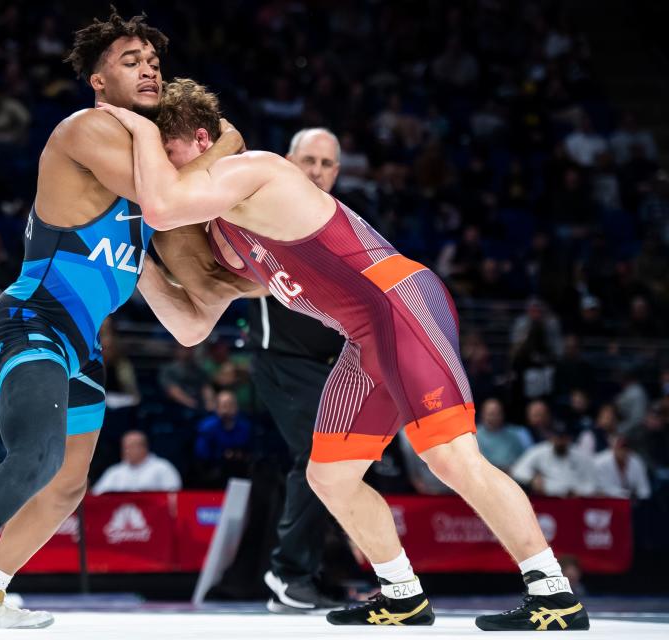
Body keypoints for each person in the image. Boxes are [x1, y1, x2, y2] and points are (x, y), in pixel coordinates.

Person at [101, 78, 589, 630]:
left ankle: (553, 592)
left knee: (451, 456)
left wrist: (134, 126)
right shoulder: (224, 234)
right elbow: (192, 324)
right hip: (363, 336)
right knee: (329, 475)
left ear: (199, 139)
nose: (155, 168)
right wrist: (135, 263)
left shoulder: (255, 170)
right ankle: (402, 592)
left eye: (164, 152)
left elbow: (161, 208)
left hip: (399, 304)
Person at [0, 11, 254, 635]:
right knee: (35, 456)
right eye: (132, 61)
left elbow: (190, 322)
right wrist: (224, 143)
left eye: (155, 63)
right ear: (96, 80)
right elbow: (217, 154)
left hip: (80, 341)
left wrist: (257, 284)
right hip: (32, 319)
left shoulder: (148, 212)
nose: (149, 70)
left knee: (65, 487)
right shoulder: (83, 131)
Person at [245, 127, 347, 613]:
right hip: (282, 359)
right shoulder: (262, 211)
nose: (317, 171)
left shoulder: (341, 221)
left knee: (344, 463)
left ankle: (312, 569)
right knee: (319, 455)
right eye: (309, 160)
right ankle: (288, 573)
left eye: (327, 164)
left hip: (333, 364)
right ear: (288, 160)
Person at [511, 422, 597, 497]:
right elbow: (518, 470)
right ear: (551, 437)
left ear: (569, 438)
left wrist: (581, 492)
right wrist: (532, 479)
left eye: (563, 438)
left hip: (576, 500)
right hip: (548, 499)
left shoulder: (580, 455)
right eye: (557, 437)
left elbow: (591, 482)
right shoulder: (539, 451)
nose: (559, 441)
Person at [92, 430, 181, 494]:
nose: (126, 451)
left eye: (130, 447)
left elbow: (173, 495)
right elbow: (98, 495)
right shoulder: (115, 471)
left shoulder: (162, 468)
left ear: (143, 448)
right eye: (124, 447)